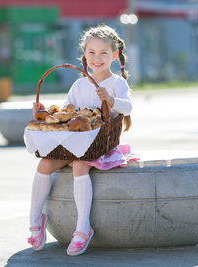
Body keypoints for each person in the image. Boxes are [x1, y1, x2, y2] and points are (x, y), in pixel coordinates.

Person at [27, 25, 133, 256]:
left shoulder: (116, 83)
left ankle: (83, 227)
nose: (97, 58)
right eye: (92, 52)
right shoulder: (79, 84)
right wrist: (43, 111)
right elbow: (67, 112)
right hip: (75, 143)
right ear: (84, 54)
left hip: (100, 145)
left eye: (104, 53)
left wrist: (111, 100)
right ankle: (36, 220)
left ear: (114, 55)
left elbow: (128, 106)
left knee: (81, 165)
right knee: (44, 164)